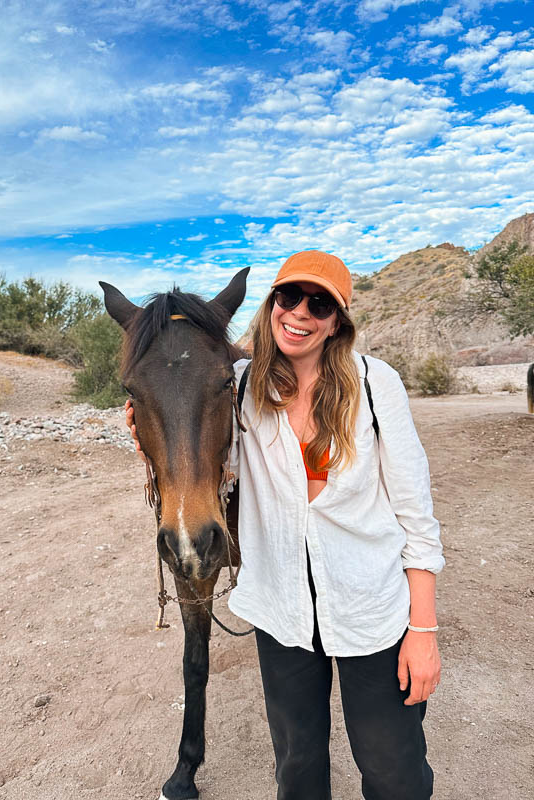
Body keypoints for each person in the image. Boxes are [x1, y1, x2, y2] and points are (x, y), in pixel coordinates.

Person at [128, 250, 444, 800]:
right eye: (288, 297)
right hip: (283, 612)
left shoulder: (376, 384)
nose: (301, 312)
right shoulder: (242, 386)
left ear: (338, 320)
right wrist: (142, 416)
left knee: (395, 773)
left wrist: (424, 631)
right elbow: (182, 391)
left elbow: (417, 517)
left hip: (370, 610)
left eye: (320, 303)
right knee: (297, 774)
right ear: (271, 304)